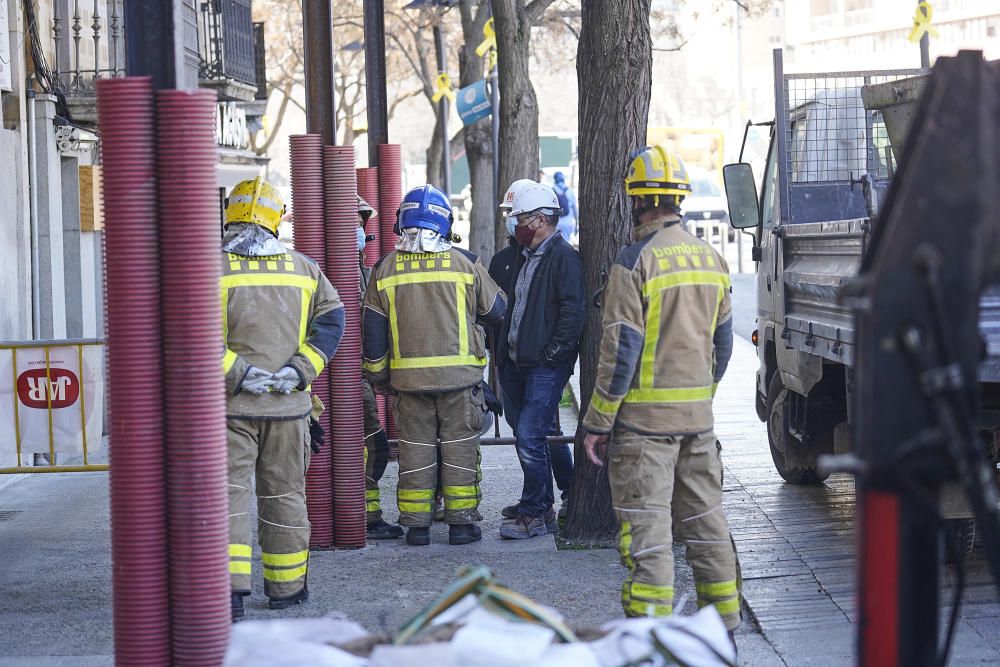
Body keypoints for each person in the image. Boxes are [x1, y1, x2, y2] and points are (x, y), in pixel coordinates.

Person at [580, 145, 740, 634]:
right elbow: (725, 345)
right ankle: (724, 630)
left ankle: (650, 641)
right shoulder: (711, 258)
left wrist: (597, 423)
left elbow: (621, 353)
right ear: (678, 199)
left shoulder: (633, 262)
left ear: (637, 201)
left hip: (644, 433)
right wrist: (698, 398)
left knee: (649, 541)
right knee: (709, 530)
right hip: (697, 425)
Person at [222, 177, 345, 621]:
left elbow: (190, 333)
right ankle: (287, 589)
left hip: (230, 410)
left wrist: (240, 374)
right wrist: (299, 371)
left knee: (229, 498)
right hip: (290, 409)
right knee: (286, 496)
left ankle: (230, 594)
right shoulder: (304, 269)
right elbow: (332, 321)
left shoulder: (208, 268)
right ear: (278, 219)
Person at [362, 184, 505, 547]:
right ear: (445, 224)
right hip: (460, 382)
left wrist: (380, 377)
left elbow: (373, 333)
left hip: (408, 384)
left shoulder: (384, 269)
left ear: (401, 224)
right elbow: (496, 311)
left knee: (415, 452)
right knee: (459, 450)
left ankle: (417, 527)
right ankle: (460, 525)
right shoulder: (465, 263)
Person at [496, 183, 586, 540]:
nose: (514, 224)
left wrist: (553, 356)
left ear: (538, 219)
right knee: (533, 433)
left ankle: (534, 512)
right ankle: (543, 503)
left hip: (544, 366)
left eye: (517, 217)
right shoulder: (526, 255)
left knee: (531, 434)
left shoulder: (563, 257)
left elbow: (572, 312)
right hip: (519, 362)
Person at [356, 196, 405, 541]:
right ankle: (365, 517)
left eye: (363, 222)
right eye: (355, 223)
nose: (361, 230)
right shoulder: (332, 267)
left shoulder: (362, 268)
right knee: (373, 446)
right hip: (342, 380)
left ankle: (364, 515)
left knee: (371, 446)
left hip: (358, 375)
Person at [552, 171, 579, 245]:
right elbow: (574, 208)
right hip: (568, 222)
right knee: (566, 244)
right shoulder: (569, 191)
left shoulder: (552, 190)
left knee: (556, 244)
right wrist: (576, 223)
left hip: (556, 223)